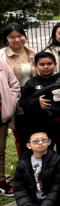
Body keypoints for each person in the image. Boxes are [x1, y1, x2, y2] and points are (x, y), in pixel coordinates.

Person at [19, 52, 60, 156]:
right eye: (42, 64)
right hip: (43, 125)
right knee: (46, 153)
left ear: (55, 64)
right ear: (35, 65)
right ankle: (48, 171)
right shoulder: (31, 83)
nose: (46, 67)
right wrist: (36, 102)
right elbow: (23, 102)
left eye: (49, 64)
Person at [13, 131, 60, 206]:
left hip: (50, 199)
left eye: (44, 140)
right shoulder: (23, 163)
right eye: (36, 141)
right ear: (28, 145)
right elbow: (19, 188)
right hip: (33, 200)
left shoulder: (57, 160)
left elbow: (57, 187)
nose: (40, 143)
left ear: (49, 142)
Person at [0, 23, 37, 157]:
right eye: (12, 37)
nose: (17, 40)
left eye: (20, 36)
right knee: (21, 135)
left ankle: (38, 163)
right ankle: (24, 165)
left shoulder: (33, 53)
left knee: (36, 133)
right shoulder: (2, 56)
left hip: (34, 99)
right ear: (6, 39)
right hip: (14, 98)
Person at [0, 59, 20, 197]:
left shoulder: (1, 63)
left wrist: (10, 103)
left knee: (0, 149)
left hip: (1, 112)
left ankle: (0, 182)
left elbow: (14, 84)